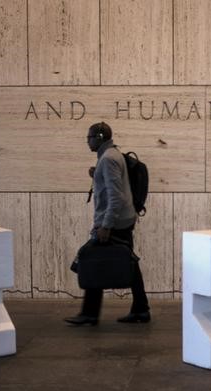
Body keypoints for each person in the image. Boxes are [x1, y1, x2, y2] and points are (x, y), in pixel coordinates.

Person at [64, 122, 150, 326]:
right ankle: (141, 309)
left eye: (90, 137)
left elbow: (115, 196)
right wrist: (97, 175)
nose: (88, 141)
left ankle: (90, 313)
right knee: (127, 261)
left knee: (93, 258)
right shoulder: (111, 156)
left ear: (100, 137)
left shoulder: (109, 159)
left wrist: (106, 225)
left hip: (115, 222)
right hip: (123, 219)